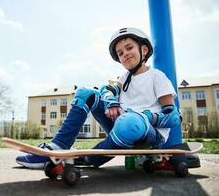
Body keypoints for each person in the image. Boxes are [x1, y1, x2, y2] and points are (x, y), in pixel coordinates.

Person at [16, 27, 181, 169]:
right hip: (121, 126)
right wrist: (111, 102)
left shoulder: (157, 77)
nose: (125, 54)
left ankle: (88, 158)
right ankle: (57, 147)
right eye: (120, 53)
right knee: (85, 93)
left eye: (129, 48)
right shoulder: (124, 78)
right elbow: (107, 89)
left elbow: (173, 117)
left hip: (149, 135)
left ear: (144, 50)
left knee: (129, 122)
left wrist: (144, 117)